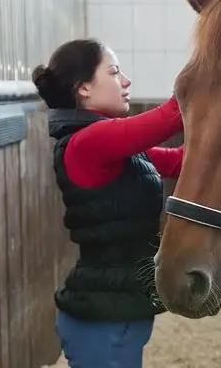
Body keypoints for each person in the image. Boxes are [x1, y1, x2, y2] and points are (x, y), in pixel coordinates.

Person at [31, 38, 183, 368]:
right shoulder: (89, 142)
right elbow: (167, 119)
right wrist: (203, 77)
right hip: (103, 322)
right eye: (114, 72)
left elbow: (175, 162)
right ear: (83, 88)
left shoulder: (112, 144)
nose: (126, 81)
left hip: (116, 309)